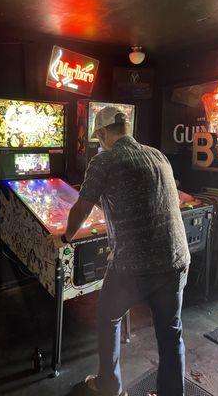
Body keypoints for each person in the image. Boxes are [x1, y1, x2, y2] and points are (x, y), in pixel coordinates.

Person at [48, 106, 190, 396]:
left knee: (107, 317)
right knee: (170, 331)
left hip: (134, 265)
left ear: (102, 133)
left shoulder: (105, 160)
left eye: (98, 136)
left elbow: (83, 207)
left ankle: (109, 386)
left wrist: (65, 237)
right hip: (176, 258)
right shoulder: (158, 155)